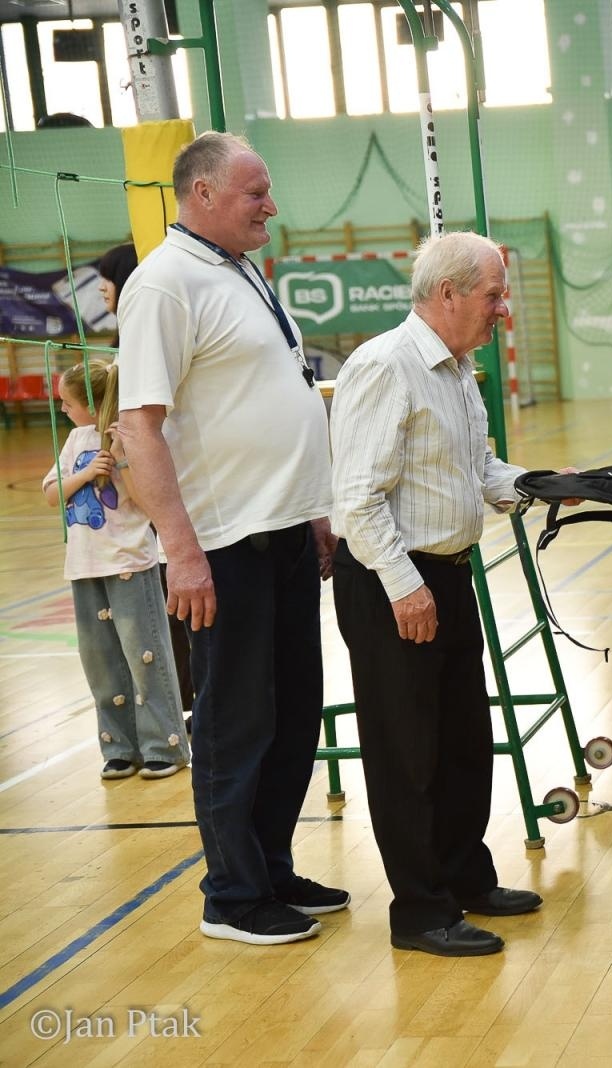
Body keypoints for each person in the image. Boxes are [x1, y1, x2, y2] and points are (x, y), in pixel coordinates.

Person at [117, 131, 347, 946]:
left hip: (284, 533)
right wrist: (181, 550)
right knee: (235, 722)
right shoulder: (164, 284)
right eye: (256, 194)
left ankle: (272, 868)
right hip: (222, 546)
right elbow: (139, 429)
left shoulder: (238, 270)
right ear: (202, 193)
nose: (272, 208)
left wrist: (315, 507)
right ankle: (233, 895)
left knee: (293, 717)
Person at [329, 231, 542, 957]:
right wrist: (403, 587)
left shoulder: (456, 369)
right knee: (406, 752)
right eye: (493, 295)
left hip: (447, 576)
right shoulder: (385, 367)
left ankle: (463, 880)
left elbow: (478, 472)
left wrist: (546, 487)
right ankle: (420, 912)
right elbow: (356, 501)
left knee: (462, 743)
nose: (502, 308)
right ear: (447, 294)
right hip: (395, 583)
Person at [43, 359, 190, 781]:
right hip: (85, 568)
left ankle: (165, 745)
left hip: (128, 561)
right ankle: (120, 747)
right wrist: (88, 472)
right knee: (101, 663)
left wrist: (122, 461)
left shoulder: (127, 438)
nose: (64, 410)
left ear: (90, 401)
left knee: (144, 656)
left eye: (68, 403)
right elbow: (53, 494)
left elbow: (149, 503)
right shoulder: (74, 439)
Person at [98, 241, 195, 730]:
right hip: (133, 527)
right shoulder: (125, 347)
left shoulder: (148, 336)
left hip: (156, 523)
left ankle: (181, 717)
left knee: (173, 616)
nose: (100, 288)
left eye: (109, 278)